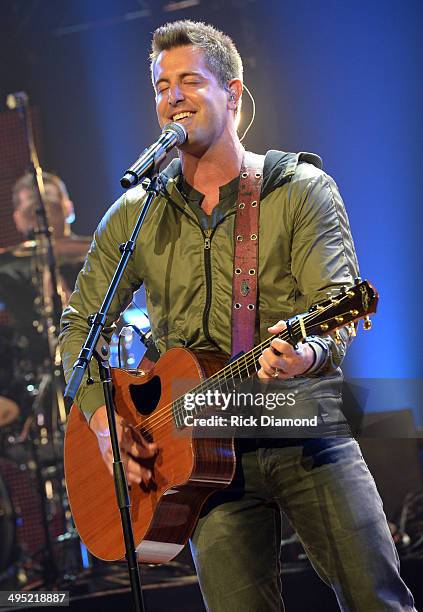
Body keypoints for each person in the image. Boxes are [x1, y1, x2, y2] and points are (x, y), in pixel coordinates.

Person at [59, 20, 416, 612]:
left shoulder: (300, 189)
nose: (172, 96)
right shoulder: (135, 215)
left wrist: (306, 351)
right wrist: (104, 421)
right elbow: (79, 327)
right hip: (199, 458)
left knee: (377, 601)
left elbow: (338, 308)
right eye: (161, 85)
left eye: (190, 81)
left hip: (304, 433)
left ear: (233, 91)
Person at [0, 172, 91, 447]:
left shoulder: (101, 253)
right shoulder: (9, 268)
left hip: (103, 369)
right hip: (33, 392)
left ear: (69, 208)